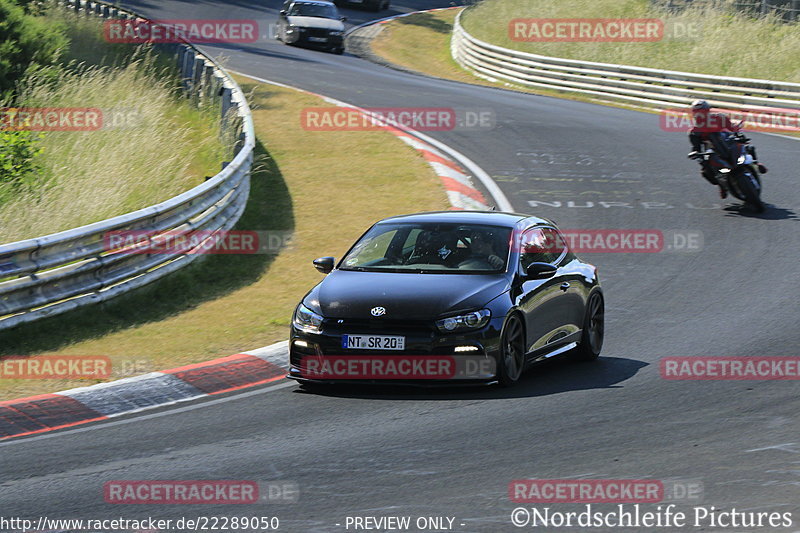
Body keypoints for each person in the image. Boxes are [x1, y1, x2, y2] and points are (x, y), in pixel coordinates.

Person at [687, 99, 767, 199]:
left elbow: (733, 129)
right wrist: (696, 153)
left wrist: (739, 134)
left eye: (703, 111)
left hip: (727, 143)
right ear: (694, 113)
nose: (701, 115)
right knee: (705, 171)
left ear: (708, 111)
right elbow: (696, 147)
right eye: (698, 112)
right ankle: (722, 186)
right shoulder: (694, 131)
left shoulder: (719, 118)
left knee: (748, 146)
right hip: (713, 151)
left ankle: (756, 163)